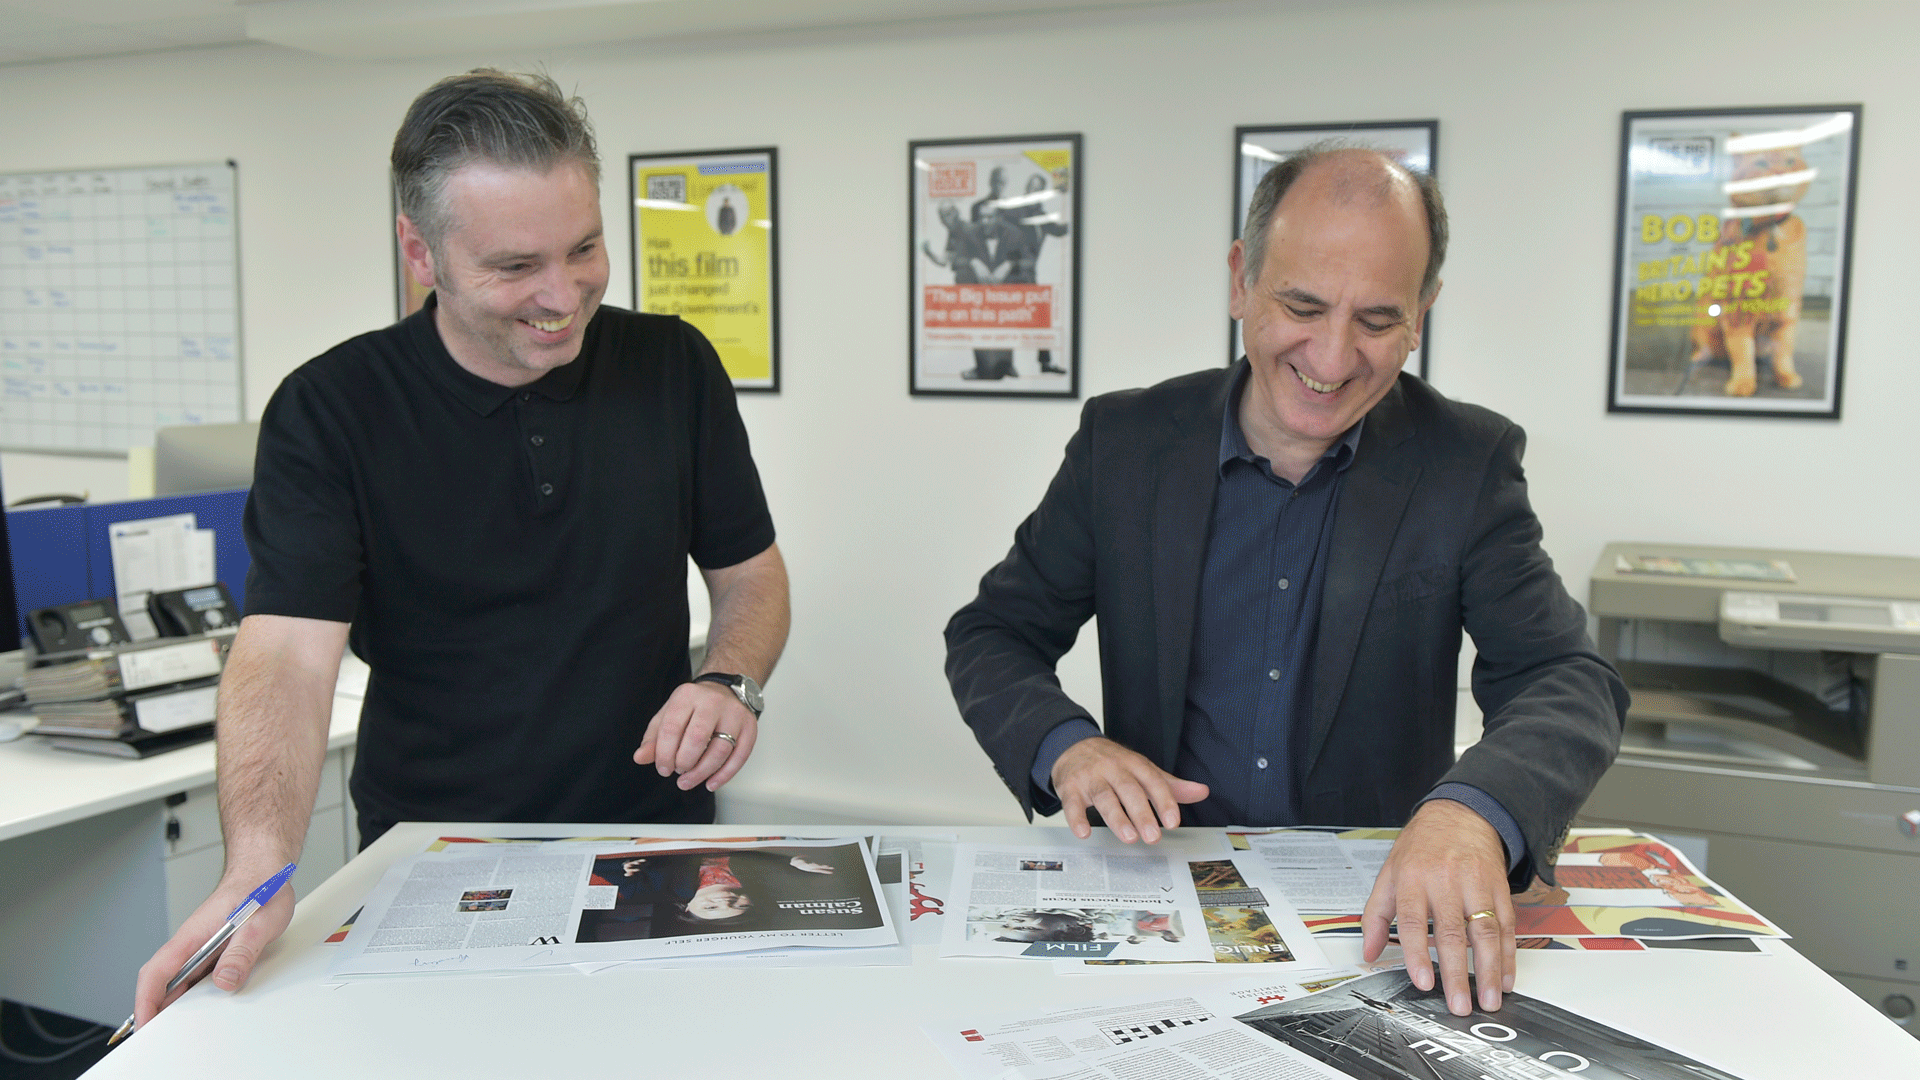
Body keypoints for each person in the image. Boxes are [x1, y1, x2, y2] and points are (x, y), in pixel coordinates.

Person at [132, 69, 790, 1027]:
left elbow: (752, 575)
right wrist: (258, 864)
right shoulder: (332, 410)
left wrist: (728, 682)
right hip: (433, 856)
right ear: (419, 250)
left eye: (586, 248)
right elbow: (285, 652)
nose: (563, 296)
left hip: (654, 837)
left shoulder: (672, 366)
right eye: (516, 266)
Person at [944, 144, 1626, 1016]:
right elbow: (994, 634)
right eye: (1302, 305)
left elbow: (1566, 677)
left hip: (1369, 917)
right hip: (1161, 896)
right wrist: (1065, 745)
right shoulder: (1125, 442)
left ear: (1423, 312)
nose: (1333, 358)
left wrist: (1470, 813)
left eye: (1377, 320)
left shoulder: (1466, 462)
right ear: (1240, 280)